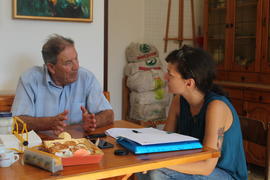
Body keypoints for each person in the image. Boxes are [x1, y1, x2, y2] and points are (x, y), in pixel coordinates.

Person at [138, 45, 247, 180]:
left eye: (170, 75)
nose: (165, 77)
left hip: (223, 173)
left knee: (156, 173)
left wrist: (159, 164)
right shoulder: (178, 101)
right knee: (138, 168)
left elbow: (207, 166)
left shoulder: (216, 107)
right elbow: (164, 145)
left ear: (189, 83)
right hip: (193, 164)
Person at [11, 34, 114, 135]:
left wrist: (94, 122)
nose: (76, 66)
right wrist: (48, 123)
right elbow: (16, 122)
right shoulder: (30, 79)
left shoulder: (86, 77)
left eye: (76, 59)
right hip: (41, 144)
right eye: (68, 63)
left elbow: (109, 114)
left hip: (78, 144)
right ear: (51, 67)